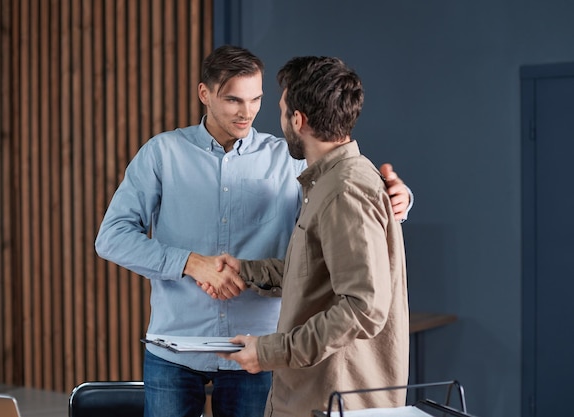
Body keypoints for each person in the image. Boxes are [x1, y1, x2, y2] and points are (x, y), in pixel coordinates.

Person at [95, 46, 411, 417]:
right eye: (233, 100)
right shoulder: (162, 154)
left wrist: (399, 199)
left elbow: (347, 198)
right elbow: (112, 237)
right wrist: (188, 262)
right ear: (205, 94)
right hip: (176, 348)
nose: (247, 112)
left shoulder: (290, 159)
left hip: (260, 349)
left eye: (257, 99)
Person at [206, 56, 409, 417]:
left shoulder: (343, 190)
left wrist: (269, 351)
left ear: (297, 120)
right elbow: (315, 275)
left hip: (332, 399)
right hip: (316, 396)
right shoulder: (332, 182)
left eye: (282, 110)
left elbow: (364, 307)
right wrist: (245, 270)